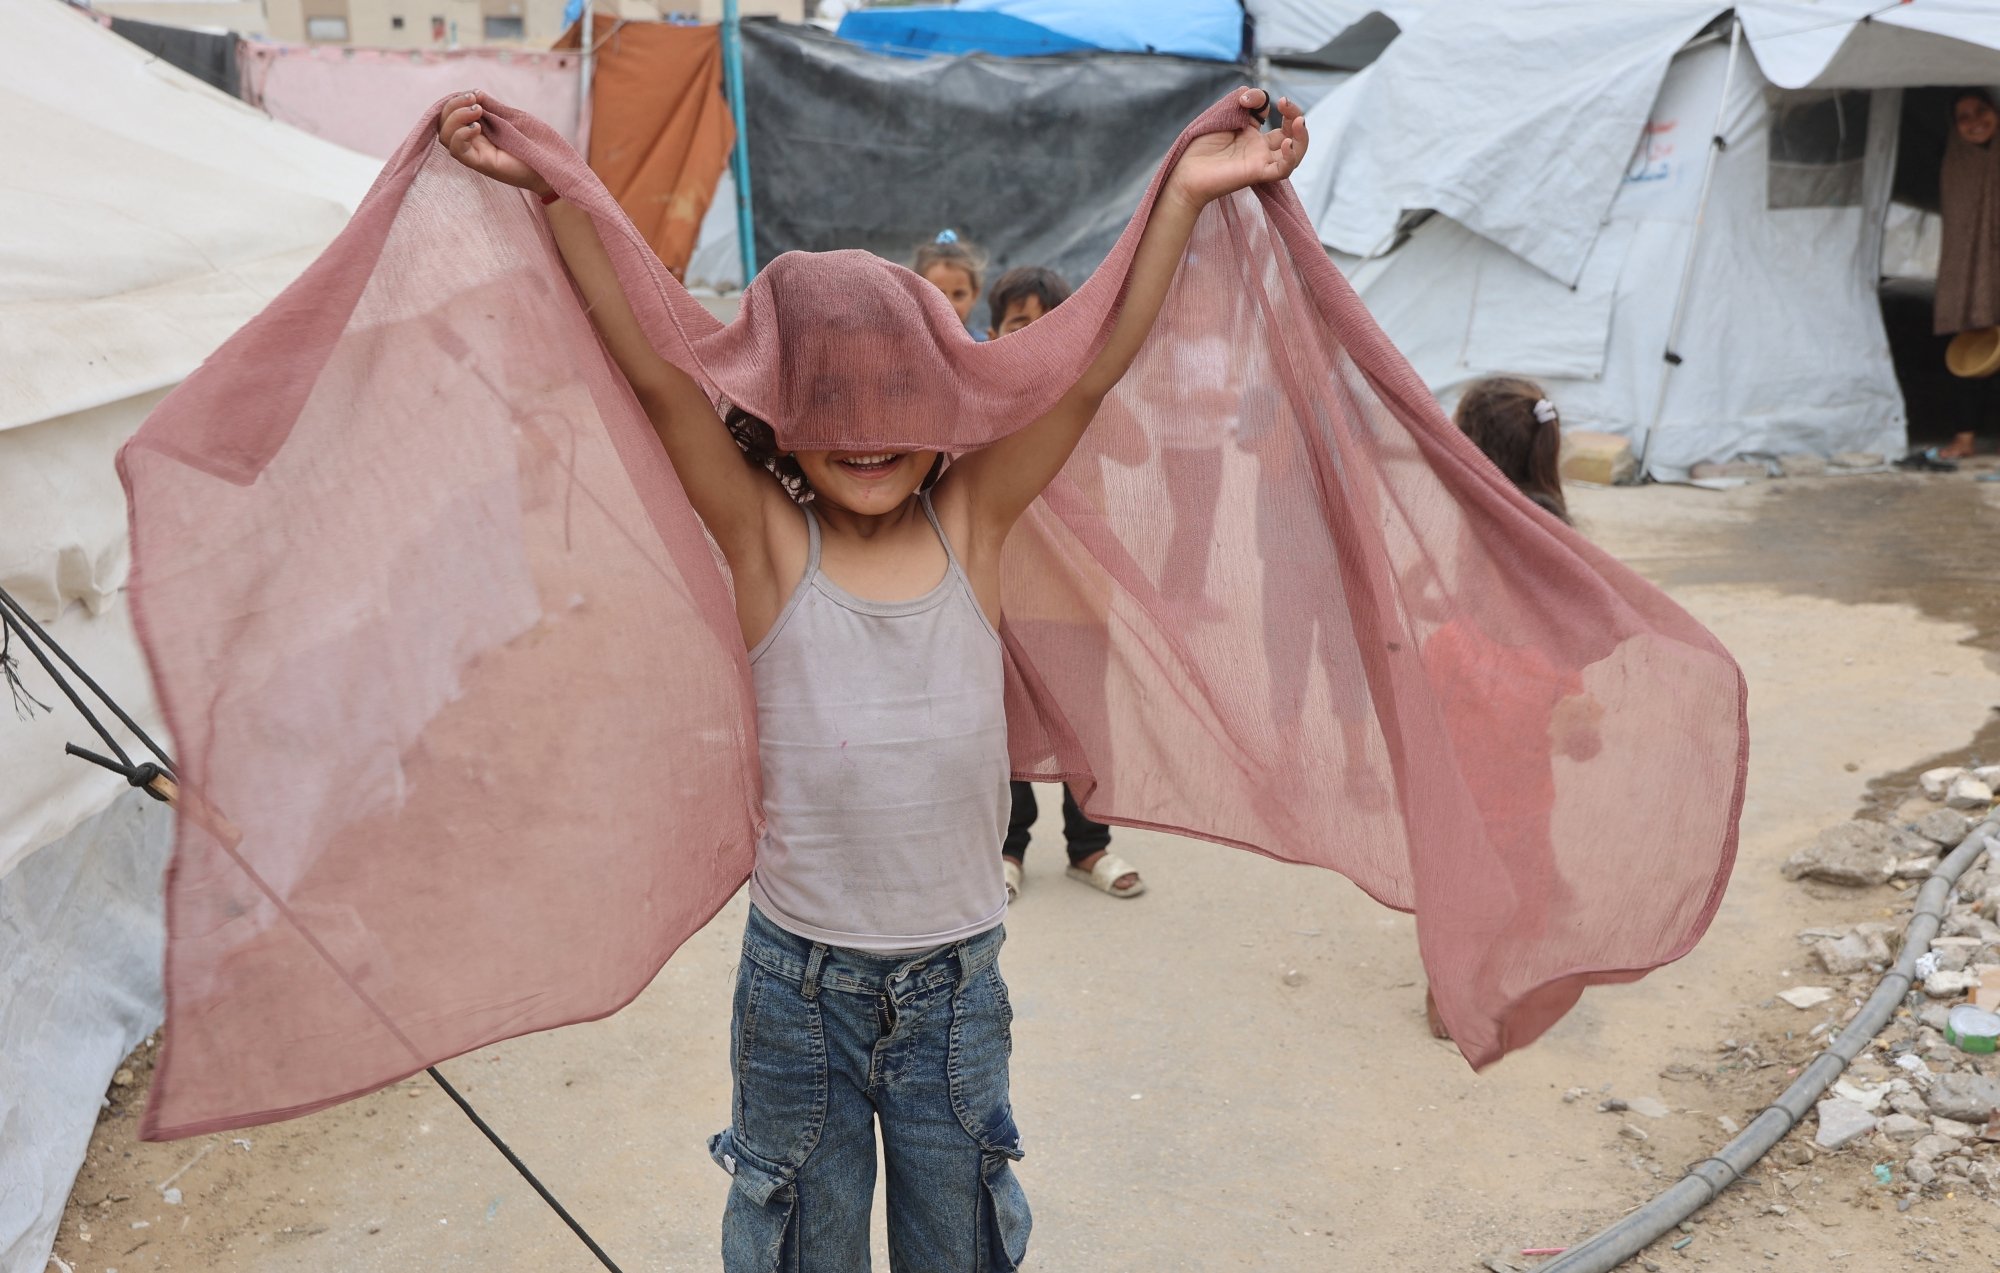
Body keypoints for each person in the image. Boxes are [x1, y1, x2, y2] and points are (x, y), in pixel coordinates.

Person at [439, 87, 1305, 1270]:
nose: (863, 430)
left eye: (896, 396)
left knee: (960, 1243)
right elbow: (652, 372)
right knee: (802, 1238)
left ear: (945, 399)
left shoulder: (977, 523)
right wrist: (555, 189)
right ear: (779, 415)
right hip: (798, 990)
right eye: (828, 398)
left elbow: (1090, 370)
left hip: (957, 986)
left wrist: (1186, 193)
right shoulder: (764, 541)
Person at [1421, 377, 1595, 1039]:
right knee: (1521, 820)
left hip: (1472, 667)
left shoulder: (1484, 511)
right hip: (1537, 680)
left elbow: (1465, 597)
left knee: (1467, 844)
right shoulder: (1552, 511)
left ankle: (1449, 989)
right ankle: (1527, 926)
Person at [982, 266, 1145, 901]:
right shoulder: (990, 400)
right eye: (1022, 323)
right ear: (995, 334)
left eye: (1054, 323)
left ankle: (1090, 845)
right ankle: (1007, 847)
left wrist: (1088, 383)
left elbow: (1133, 447)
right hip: (1008, 597)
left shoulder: (1087, 394)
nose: (1038, 335)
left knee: (1087, 727)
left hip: (1080, 597)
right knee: (1005, 727)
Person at [1937, 88, 2000, 459]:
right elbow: (1959, 229)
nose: (1975, 122)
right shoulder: (1954, 165)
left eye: (1982, 111)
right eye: (1964, 117)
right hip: (1973, 273)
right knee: (1972, 351)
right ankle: (1965, 438)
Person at [912, 229, 987, 331]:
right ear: (917, 294)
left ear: (974, 294)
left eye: (959, 294)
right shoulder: (902, 345)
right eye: (938, 295)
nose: (949, 306)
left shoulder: (982, 345)